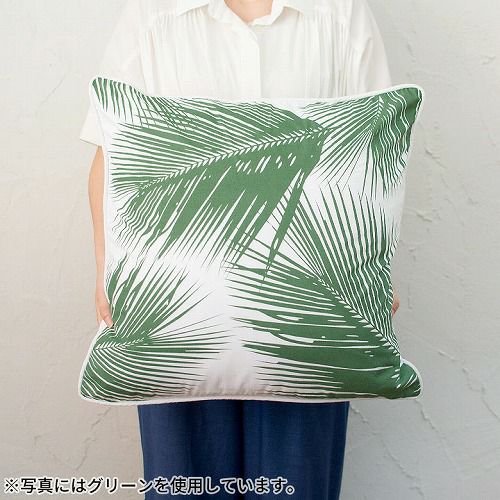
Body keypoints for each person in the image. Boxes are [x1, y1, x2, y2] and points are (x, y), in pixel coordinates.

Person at [80, 1, 399, 498]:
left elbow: (375, 150)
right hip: (174, 307)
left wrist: (373, 266)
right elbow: (113, 153)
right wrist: (107, 272)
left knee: (296, 484)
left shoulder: (340, 12)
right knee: (183, 482)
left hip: (307, 308)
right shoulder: (153, 13)